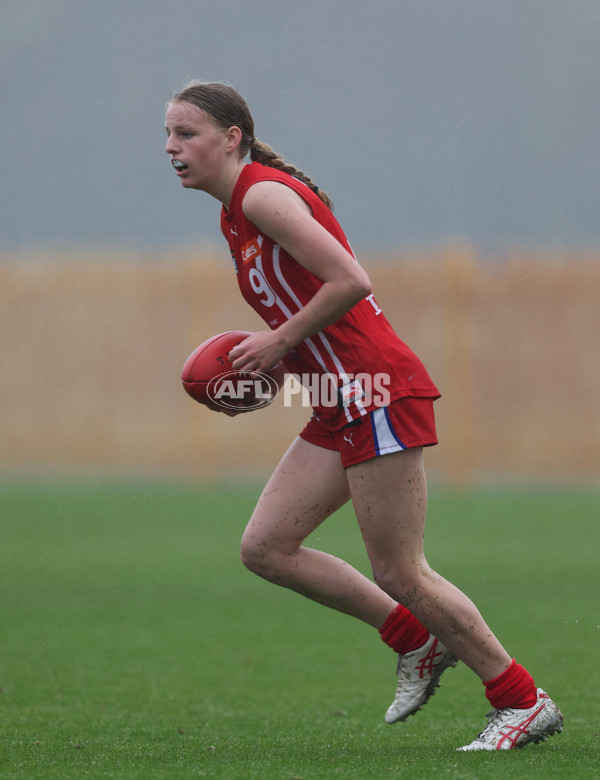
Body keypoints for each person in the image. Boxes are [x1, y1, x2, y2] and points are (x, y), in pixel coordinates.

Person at [165, 80, 563, 751]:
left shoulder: (261, 195)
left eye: (187, 134)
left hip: (376, 391)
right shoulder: (235, 213)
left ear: (232, 138)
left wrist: (280, 341)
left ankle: (522, 701)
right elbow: (309, 319)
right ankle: (417, 642)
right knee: (265, 548)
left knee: (402, 571)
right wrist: (266, 372)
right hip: (338, 398)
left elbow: (352, 280)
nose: (173, 148)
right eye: (168, 136)